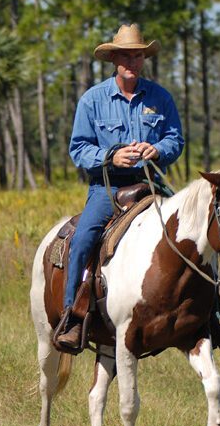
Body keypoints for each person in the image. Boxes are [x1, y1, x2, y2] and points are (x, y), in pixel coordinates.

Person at [56, 24, 184, 350]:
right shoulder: (92, 100)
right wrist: (111, 156)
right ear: (114, 58)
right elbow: (79, 149)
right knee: (83, 238)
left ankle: (208, 314)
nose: (133, 61)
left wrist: (158, 150)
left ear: (144, 58)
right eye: (126, 55)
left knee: (192, 230)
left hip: (151, 184)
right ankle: (72, 315)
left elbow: (175, 139)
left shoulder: (160, 97)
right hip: (107, 189)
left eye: (138, 54)